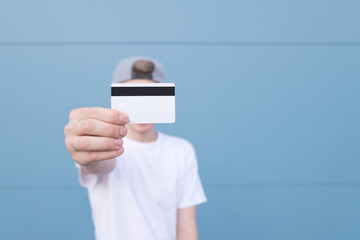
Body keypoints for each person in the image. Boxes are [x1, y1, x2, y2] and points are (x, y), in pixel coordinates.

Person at [64, 56, 207, 240]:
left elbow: (186, 230)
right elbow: (99, 165)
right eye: (133, 96)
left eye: (150, 96)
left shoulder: (182, 150)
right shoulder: (104, 144)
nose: (142, 106)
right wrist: (88, 153)